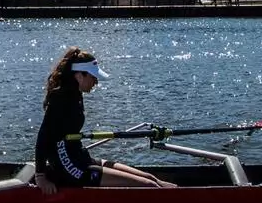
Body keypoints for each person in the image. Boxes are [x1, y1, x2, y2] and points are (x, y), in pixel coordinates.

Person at [35, 47, 169, 189]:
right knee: (148, 185)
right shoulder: (61, 99)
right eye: (93, 77)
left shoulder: (75, 94)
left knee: (150, 178)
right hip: (68, 166)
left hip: (81, 158)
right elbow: (43, 137)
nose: (96, 82)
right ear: (79, 75)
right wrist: (40, 176)